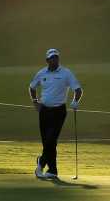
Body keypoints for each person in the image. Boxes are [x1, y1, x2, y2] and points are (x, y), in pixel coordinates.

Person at [28, 48, 82, 180]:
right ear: (47, 60)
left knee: (51, 140)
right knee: (47, 142)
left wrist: (75, 101)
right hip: (44, 111)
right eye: (52, 58)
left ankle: (40, 164)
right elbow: (32, 87)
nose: (54, 60)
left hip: (59, 111)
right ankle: (52, 170)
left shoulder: (66, 73)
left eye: (56, 57)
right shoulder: (41, 73)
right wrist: (35, 101)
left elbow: (78, 89)